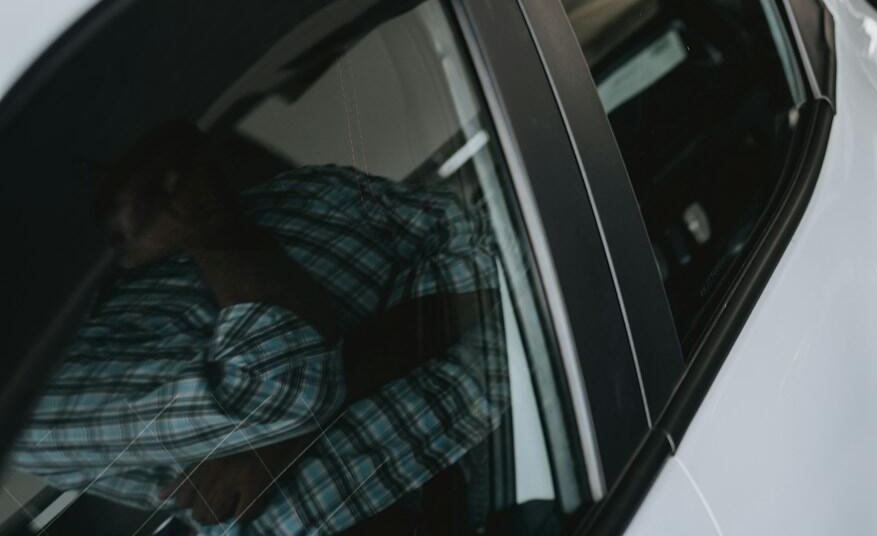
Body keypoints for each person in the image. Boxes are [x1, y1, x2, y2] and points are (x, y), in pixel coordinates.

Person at [11, 124, 506, 535]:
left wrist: (287, 437)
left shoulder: (294, 196)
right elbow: (285, 387)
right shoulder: (28, 396)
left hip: (519, 428)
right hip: (423, 500)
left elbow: (485, 250)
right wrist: (212, 232)